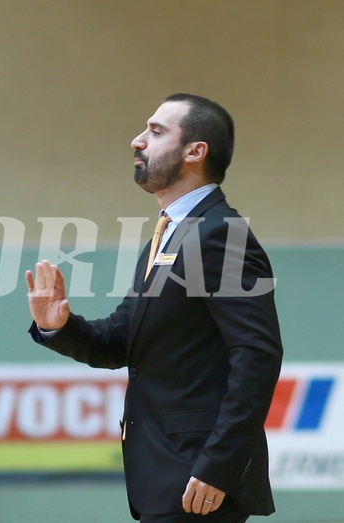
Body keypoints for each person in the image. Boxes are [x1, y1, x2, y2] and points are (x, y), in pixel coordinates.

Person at [26, 93, 282, 523]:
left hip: (199, 479)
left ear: (195, 152)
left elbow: (258, 355)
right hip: (165, 476)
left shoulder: (220, 235)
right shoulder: (165, 239)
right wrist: (59, 326)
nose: (137, 141)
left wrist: (219, 464)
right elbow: (121, 342)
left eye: (156, 131)